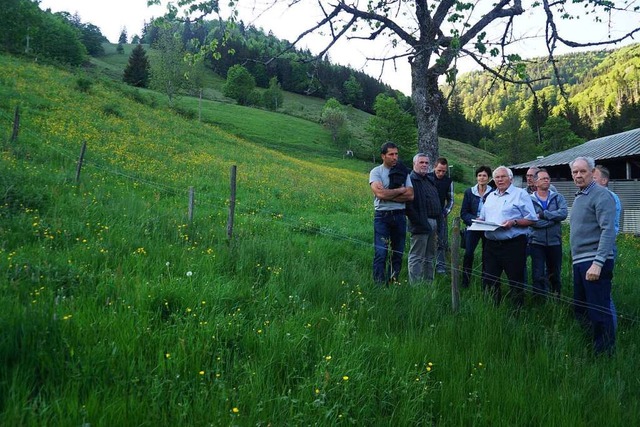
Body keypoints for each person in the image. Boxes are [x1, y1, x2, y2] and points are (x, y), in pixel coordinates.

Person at [569, 156, 617, 355]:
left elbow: (608, 230)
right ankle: (591, 346)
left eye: (582, 171)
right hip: (580, 262)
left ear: (592, 172)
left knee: (599, 311)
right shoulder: (581, 196)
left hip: (594, 261)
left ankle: (604, 355)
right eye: (575, 172)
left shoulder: (601, 194)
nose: (578, 175)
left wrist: (598, 263)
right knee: (581, 309)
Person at [478, 166, 538, 307]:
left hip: (513, 245)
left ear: (510, 178)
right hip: (491, 245)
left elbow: (532, 219)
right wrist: (479, 221)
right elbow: (483, 216)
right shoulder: (490, 196)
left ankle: (516, 312)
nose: (499, 180)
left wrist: (514, 222)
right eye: (497, 177)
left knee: (515, 280)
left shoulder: (520, 194)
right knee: (491, 279)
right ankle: (494, 309)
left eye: (503, 176)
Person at [369, 142, 414, 285]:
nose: (395, 157)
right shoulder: (376, 172)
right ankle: (379, 284)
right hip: (382, 216)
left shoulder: (403, 171)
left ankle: (392, 281)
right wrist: (400, 190)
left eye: (396, 154)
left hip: (400, 215)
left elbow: (410, 195)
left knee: (398, 252)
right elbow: (380, 194)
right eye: (391, 154)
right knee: (381, 252)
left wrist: (388, 194)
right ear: (383, 156)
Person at [529, 169, 568, 298]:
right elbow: (532, 222)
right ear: (535, 182)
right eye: (543, 178)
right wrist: (552, 220)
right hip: (536, 242)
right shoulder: (529, 200)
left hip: (555, 241)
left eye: (548, 178)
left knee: (555, 273)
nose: (546, 180)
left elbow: (563, 214)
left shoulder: (558, 197)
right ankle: (539, 300)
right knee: (538, 273)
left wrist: (543, 214)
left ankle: (556, 298)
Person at [406, 153, 441, 285]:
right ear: (414, 164)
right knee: (417, 256)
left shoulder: (429, 179)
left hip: (433, 222)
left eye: (426, 163)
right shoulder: (411, 180)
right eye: (421, 162)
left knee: (429, 256)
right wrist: (420, 222)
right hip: (420, 223)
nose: (425, 165)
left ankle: (428, 284)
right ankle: (415, 286)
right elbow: (408, 205)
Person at [459, 166, 493, 288]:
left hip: (487, 227)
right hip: (473, 226)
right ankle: (465, 281)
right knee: (468, 253)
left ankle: (485, 281)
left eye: (484, 175)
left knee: (486, 254)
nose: (481, 178)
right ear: (476, 177)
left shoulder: (493, 192)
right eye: (479, 175)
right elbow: (463, 213)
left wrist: (486, 220)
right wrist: (473, 219)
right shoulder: (469, 192)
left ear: (489, 178)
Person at [429, 157, 454, 274]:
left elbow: (451, 200)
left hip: (441, 215)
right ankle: (427, 265)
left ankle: (441, 267)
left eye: (443, 171)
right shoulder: (427, 178)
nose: (441, 173)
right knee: (427, 240)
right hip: (427, 215)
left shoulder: (448, 181)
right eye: (439, 170)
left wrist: (445, 212)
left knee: (441, 241)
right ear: (435, 167)